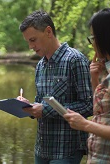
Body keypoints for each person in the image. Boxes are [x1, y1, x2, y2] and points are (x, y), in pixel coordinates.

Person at [18, 10, 93, 163]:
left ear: (48, 31)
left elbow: (89, 105)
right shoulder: (40, 65)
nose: (31, 46)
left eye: (33, 40)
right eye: (28, 42)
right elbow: (41, 103)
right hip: (42, 148)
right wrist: (29, 107)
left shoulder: (75, 59)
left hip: (66, 149)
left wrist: (45, 110)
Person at [64, 8, 110, 163]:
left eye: (93, 38)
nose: (92, 44)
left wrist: (85, 124)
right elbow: (105, 113)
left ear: (106, 38)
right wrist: (96, 79)